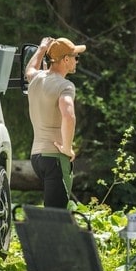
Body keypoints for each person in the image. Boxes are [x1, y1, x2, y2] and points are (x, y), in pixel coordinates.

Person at [25, 37, 86, 208]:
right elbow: (69, 116)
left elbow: (29, 69)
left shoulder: (36, 78)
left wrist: (42, 48)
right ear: (66, 59)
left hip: (37, 157)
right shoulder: (65, 86)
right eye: (76, 57)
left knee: (51, 212)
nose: (77, 61)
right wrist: (67, 148)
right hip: (55, 157)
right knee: (56, 216)